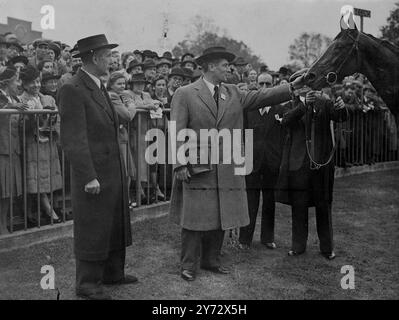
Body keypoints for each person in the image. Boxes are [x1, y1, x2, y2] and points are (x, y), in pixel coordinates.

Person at [169, 46, 306, 282]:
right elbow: (176, 130)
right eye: (224, 65)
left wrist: (292, 87)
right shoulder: (186, 93)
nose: (228, 69)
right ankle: (188, 264)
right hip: (197, 166)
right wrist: (180, 164)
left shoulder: (233, 92)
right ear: (211, 66)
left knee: (222, 213)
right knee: (194, 218)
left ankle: (211, 260)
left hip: (226, 167)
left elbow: (264, 96)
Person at [58, 34, 136, 300]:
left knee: (114, 222)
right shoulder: (73, 88)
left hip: (112, 169)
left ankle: (113, 273)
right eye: (107, 56)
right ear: (93, 57)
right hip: (94, 174)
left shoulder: (99, 86)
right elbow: (73, 139)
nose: (112, 61)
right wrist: (88, 176)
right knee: (93, 226)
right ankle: (87, 284)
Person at [275, 69, 347, 260]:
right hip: (299, 166)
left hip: (321, 165)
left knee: (324, 206)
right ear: (296, 89)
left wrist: (341, 107)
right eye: (304, 86)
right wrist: (304, 106)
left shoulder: (324, 103)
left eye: (310, 85)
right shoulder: (289, 106)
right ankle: (298, 246)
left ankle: (327, 248)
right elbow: (286, 121)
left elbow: (341, 117)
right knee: (299, 207)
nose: (308, 89)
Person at [238, 73, 289, 250]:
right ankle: (244, 239)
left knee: (269, 200)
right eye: (262, 83)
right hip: (251, 161)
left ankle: (267, 238)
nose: (265, 86)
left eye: (268, 83)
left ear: (273, 84)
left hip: (272, 162)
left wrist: (280, 159)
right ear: (257, 85)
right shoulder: (248, 110)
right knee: (250, 201)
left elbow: (283, 137)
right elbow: (240, 135)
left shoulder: (280, 110)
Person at [19, 65, 63, 225]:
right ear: (24, 84)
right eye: (32, 82)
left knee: (48, 176)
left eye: (38, 81)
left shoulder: (48, 99)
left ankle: (45, 209)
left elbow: (57, 120)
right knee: (36, 178)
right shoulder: (21, 100)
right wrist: (33, 117)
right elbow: (21, 125)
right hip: (33, 144)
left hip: (48, 142)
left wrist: (50, 122)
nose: (36, 85)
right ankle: (48, 210)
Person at [0, 66, 27, 234]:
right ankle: (1, 225)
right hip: (2, 148)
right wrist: (13, 106)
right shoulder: (4, 97)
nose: (19, 83)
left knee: (8, 191)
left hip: (13, 148)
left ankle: (3, 223)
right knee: (2, 190)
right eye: (16, 80)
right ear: (6, 82)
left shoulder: (14, 97)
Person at [107, 72, 137, 208]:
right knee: (123, 170)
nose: (122, 86)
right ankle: (122, 200)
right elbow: (128, 115)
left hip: (122, 135)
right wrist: (131, 103)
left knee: (128, 171)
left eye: (123, 83)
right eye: (118, 84)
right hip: (117, 137)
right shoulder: (112, 96)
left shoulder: (120, 96)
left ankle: (125, 199)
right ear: (111, 85)